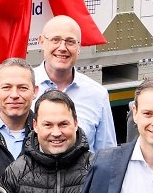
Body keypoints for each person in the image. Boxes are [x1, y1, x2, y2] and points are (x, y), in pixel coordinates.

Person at [36, 15, 117, 152]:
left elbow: (107, 155)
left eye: (70, 42)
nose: (62, 48)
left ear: (79, 47)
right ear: (42, 41)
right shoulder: (24, 89)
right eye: (55, 40)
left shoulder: (97, 95)